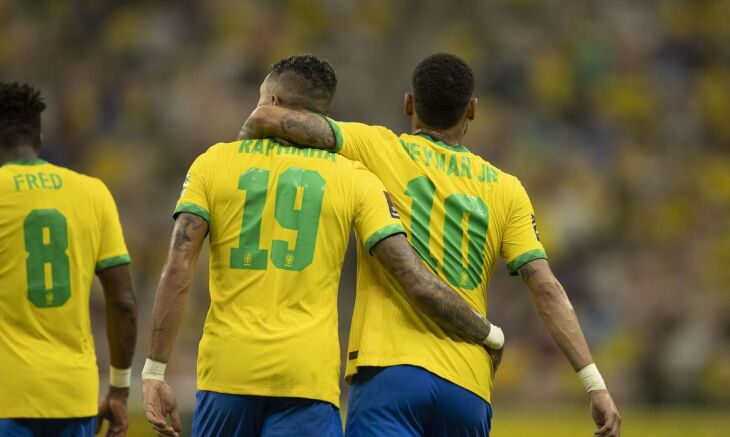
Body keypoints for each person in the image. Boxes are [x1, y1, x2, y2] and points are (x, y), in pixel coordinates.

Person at [240, 52, 622, 437]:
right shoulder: (508, 189)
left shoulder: (378, 147)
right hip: (467, 384)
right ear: (472, 110)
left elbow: (268, 118)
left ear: (409, 103)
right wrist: (595, 384)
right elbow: (546, 288)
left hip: (389, 374)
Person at [141, 55, 504, 437]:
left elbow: (178, 269)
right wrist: (486, 332)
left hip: (227, 374)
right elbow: (411, 275)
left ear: (274, 104)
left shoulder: (213, 163)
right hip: (307, 381)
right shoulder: (354, 178)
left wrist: (154, 371)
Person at [0, 82, 137, 437]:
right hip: (74, 399)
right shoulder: (92, 193)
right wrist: (119, 390)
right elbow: (122, 302)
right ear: (39, 138)